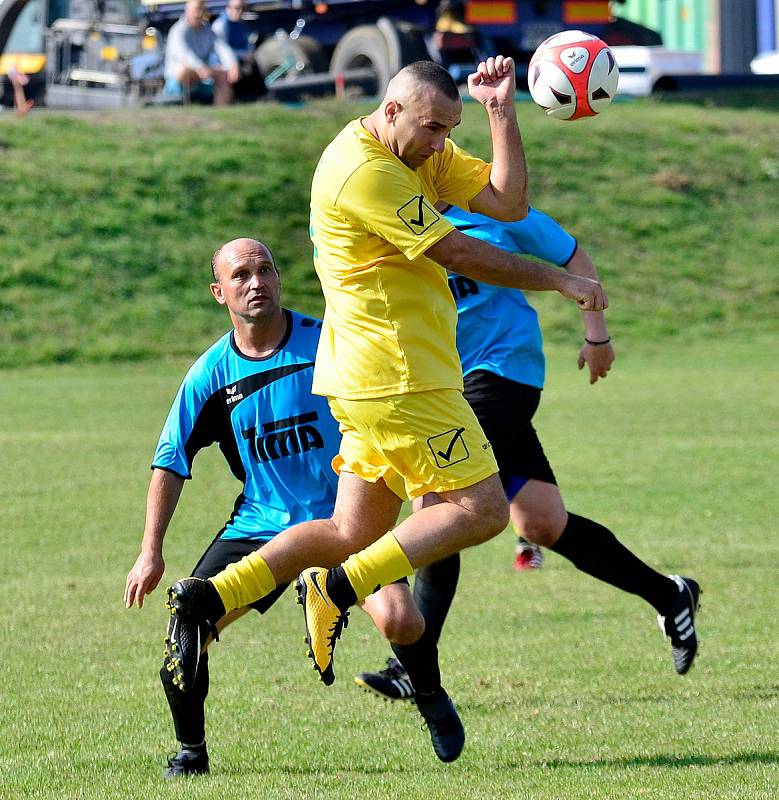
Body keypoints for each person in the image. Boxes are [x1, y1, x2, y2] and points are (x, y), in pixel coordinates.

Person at [162, 57, 608, 762]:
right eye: (434, 127)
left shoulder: (415, 147)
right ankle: (337, 590)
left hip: (366, 378)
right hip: (404, 378)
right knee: (482, 511)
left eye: (448, 129)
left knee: (348, 528)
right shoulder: (360, 170)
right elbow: (458, 250)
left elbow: (506, 204)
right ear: (392, 110)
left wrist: (499, 111)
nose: (440, 142)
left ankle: (210, 599)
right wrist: (561, 281)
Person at [354, 204, 701, 704]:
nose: (429, 149)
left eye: (439, 135)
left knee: (440, 507)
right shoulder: (391, 210)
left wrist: (596, 334)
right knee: (541, 523)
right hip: (444, 387)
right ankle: (670, 595)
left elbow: (572, 254)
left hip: (502, 373)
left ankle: (411, 664)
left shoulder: (490, 207)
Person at [123, 238, 345, 777]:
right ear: (219, 292)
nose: (256, 283)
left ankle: (426, 692)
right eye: (241, 275)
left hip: (344, 521)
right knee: (186, 625)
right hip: (260, 523)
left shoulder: (331, 343)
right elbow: (170, 459)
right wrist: (150, 551)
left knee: (402, 619)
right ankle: (191, 755)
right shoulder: (211, 374)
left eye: (265, 269)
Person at [164, 0, 239, 105]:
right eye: (195, 10)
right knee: (183, 70)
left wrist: (233, 64)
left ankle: (221, 110)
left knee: (223, 73)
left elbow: (222, 48)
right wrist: (200, 67)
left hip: (203, 74)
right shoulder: (177, 31)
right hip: (180, 76)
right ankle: (182, 105)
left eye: (201, 10)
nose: (198, 14)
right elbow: (184, 54)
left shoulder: (208, 31)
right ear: (187, 11)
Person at [212, 1, 263, 101]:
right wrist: (239, 58)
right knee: (237, 70)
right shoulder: (220, 25)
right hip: (222, 63)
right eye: (235, 8)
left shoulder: (242, 25)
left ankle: (258, 98)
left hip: (240, 60)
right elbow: (221, 50)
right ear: (228, 8)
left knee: (255, 66)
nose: (238, 12)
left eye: (241, 9)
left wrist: (249, 54)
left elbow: (248, 45)